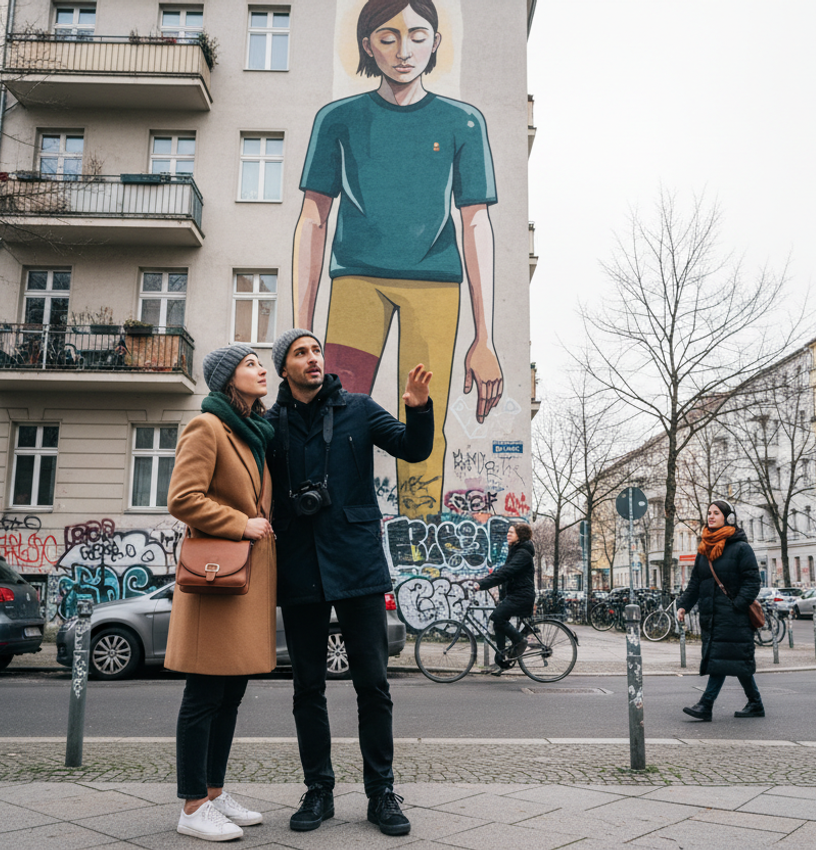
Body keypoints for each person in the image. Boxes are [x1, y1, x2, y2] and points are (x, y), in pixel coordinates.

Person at [292, 0, 502, 518]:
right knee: (334, 411)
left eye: (416, 35)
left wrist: (485, 336)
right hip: (358, 285)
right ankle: (331, 519)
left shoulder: (463, 123)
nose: (403, 49)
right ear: (367, 45)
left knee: (423, 415)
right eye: (387, 37)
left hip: (434, 285)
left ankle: (420, 537)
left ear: (434, 42)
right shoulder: (339, 119)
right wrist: (299, 334)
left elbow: (475, 223)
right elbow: (312, 219)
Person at [265, 329, 433, 836]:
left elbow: (413, 449)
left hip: (358, 564)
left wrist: (418, 409)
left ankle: (381, 792)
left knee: (373, 686)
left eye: (316, 351)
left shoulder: (359, 408)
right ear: (284, 369)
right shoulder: (269, 424)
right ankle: (319, 790)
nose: (313, 359)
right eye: (301, 353)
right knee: (306, 687)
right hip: (298, 565)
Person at [166, 345, 277, 842]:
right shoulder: (207, 427)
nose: (262, 370)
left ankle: (213, 792)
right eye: (251, 364)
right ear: (227, 377)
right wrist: (241, 523)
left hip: (244, 583)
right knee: (205, 694)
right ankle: (191, 806)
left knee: (230, 694)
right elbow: (183, 498)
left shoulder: (252, 435)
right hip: (216, 579)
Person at [675, 500, 764, 721]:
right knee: (734, 661)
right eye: (709, 513)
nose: (711, 516)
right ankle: (755, 703)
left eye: (716, 513)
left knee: (720, 660)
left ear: (726, 517)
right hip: (711, 616)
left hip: (734, 616)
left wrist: (737, 605)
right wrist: (684, 604)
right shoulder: (704, 549)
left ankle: (705, 705)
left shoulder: (740, 547)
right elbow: (696, 582)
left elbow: (752, 582)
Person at [471, 523, 536, 669]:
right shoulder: (516, 551)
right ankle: (502, 658)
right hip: (514, 595)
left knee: (497, 617)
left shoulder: (523, 554)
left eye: (511, 532)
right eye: (508, 532)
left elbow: (506, 572)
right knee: (498, 623)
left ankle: (520, 641)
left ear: (520, 535)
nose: (508, 534)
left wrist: (482, 584)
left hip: (521, 596)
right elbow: (504, 572)